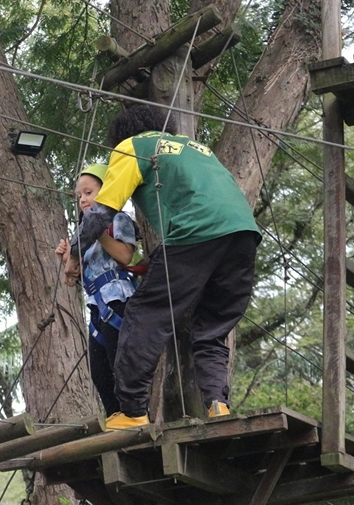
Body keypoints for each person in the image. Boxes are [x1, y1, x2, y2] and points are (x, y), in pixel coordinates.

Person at [66, 105, 260, 430]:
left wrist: (74, 253)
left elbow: (101, 213)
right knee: (211, 328)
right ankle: (217, 405)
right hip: (243, 234)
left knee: (145, 314)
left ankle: (132, 410)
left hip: (196, 230)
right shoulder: (198, 149)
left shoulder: (133, 147)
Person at [56, 164, 139, 417]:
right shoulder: (83, 236)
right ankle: (115, 416)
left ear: (106, 192)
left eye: (89, 193)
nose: (83, 200)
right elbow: (77, 278)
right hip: (96, 305)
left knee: (120, 363)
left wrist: (99, 232)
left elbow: (125, 254)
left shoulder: (118, 220)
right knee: (99, 370)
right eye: (80, 195)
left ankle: (132, 414)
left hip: (118, 300)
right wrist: (67, 261)